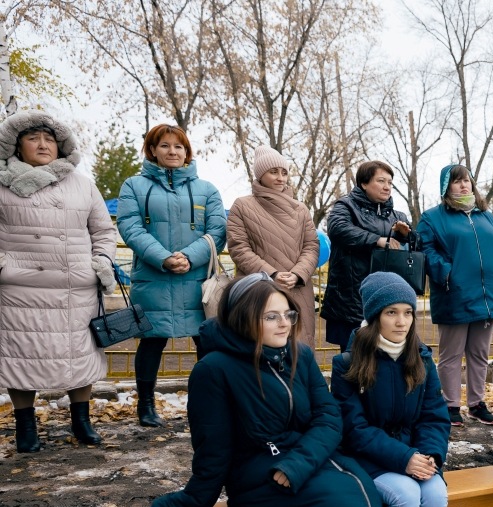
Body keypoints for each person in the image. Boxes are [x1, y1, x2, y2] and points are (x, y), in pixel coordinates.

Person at [150, 274, 388, 507]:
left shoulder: (300, 355)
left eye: (287, 315)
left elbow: (328, 417)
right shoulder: (214, 370)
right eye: (270, 316)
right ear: (244, 317)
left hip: (304, 462)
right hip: (258, 475)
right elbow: (213, 449)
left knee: (363, 492)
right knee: (333, 502)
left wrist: (299, 462)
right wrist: (193, 501)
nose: (284, 324)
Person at [332, 272, 451, 507]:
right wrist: (404, 458)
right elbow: (354, 429)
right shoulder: (348, 364)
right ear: (373, 316)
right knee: (405, 495)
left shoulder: (421, 358)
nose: (402, 321)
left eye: (408, 312)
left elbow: (435, 416)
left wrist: (429, 456)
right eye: (391, 312)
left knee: (437, 494)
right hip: (366, 458)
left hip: (413, 454)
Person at [0, 111, 117, 452]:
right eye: (33, 138)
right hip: (20, 289)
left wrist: (102, 262)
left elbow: (103, 230)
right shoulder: (2, 183)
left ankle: (82, 422)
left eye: (49, 139)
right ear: (16, 145)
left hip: (74, 286)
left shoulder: (82, 184)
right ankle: (26, 426)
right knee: (22, 356)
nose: (43, 144)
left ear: (61, 145)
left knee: (78, 354)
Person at [117, 124, 227, 428]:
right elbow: (130, 227)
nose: (172, 152)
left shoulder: (207, 189)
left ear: (187, 151)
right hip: (154, 277)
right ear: (152, 150)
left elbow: (217, 231)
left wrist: (189, 258)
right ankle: (146, 404)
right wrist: (163, 258)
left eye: (178, 146)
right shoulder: (133, 186)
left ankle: (207, 403)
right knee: (152, 341)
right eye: (164, 146)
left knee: (206, 343)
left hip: (197, 281)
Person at [419, 164, 493, 427]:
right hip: (454, 294)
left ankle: (476, 403)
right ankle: (450, 404)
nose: (463, 185)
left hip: (488, 296)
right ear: (446, 187)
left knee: (479, 353)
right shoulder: (432, 218)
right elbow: (426, 249)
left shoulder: (487, 217)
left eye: (467, 181)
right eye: (456, 182)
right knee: (451, 354)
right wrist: (447, 274)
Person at [227, 145, 319, 349]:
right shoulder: (242, 205)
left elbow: (311, 246)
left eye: (284, 172)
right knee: (258, 349)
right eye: (273, 172)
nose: (280, 178)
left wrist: (297, 274)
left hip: (297, 288)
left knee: (298, 349)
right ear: (260, 175)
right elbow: (238, 248)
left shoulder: (301, 209)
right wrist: (271, 274)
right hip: (258, 288)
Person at [321, 160, 411, 349]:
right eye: (381, 181)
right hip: (350, 300)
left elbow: (413, 248)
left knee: (385, 359)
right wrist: (376, 240)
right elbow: (338, 229)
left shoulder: (398, 216)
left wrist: (405, 236)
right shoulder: (345, 206)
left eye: (390, 182)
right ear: (364, 183)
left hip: (387, 299)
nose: (387, 187)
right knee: (353, 360)